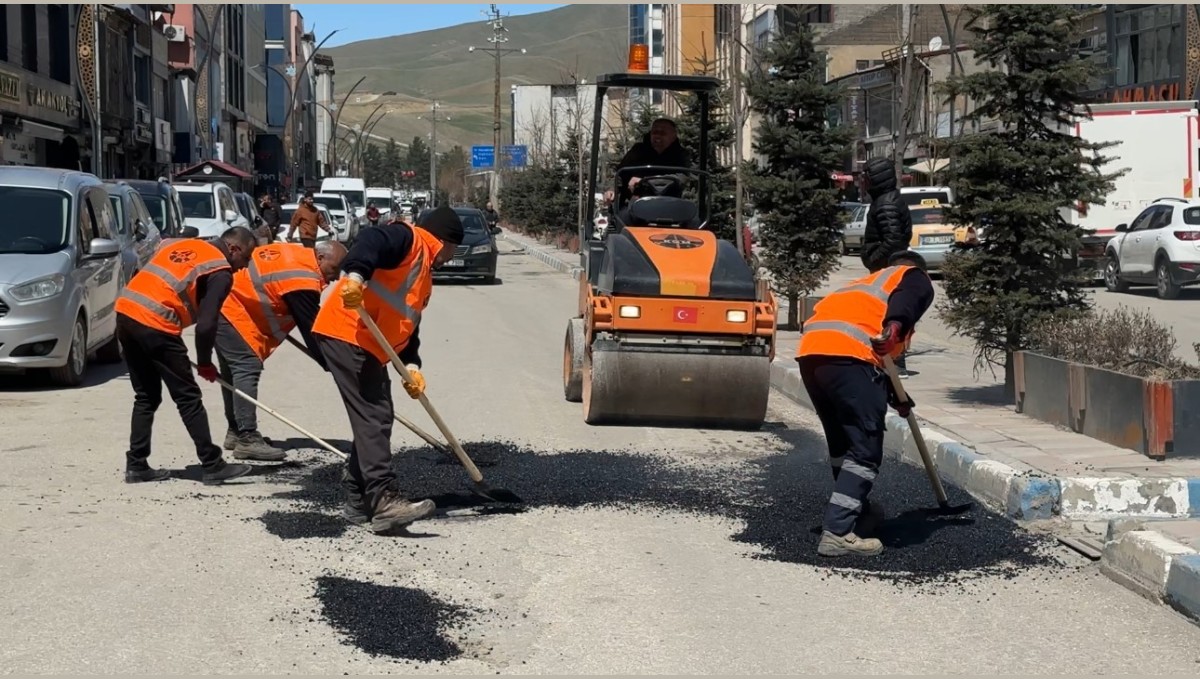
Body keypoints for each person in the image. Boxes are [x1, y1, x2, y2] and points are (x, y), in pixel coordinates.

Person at [311, 204, 465, 534]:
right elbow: (371, 239)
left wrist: (412, 366)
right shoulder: (408, 238)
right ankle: (384, 501)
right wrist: (355, 276)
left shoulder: (423, 272)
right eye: (453, 249)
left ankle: (359, 501)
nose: (451, 257)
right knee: (374, 415)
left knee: (377, 415)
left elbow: (406, 325)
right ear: (444, 241)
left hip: (367, 343)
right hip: (347, 330)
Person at [795, 250, 935, 558]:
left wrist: (897, 398)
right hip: (850, 358)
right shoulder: (912, 276)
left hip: (813, 356)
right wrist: (896, 327)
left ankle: (856, 510)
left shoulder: (863, 285)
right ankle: (839, 531)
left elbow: (870, 359)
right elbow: (909, 300)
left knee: (843, 443)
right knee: (865, 449)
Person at [114, 226, 261, 485]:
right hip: (156, 322)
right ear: (234, 249)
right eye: (247, 258)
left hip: (127, 313)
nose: (244, 267)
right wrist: (204, 362)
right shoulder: (220, 270)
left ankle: (136, 465)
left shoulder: (188, 246)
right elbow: (207, 324)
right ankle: (212, 464)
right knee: (188, 397)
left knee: (146, 396)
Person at [215, 240, 349, 460]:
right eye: (334, 270)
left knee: (233, 371)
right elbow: (312, 330)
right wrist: (332, 364)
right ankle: (247, 438)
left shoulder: (297, 254)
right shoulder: (301, 279)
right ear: (321, 258)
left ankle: (236, 432)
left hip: (224, 303)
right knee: (246, 367)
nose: (335, 278)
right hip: (232, 310)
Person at [859, 158, 915, 376]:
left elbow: (893, 240)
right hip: (890, 267)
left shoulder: (886, 204)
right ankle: (892, 359)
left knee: (889, 314)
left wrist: (874, 259)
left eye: (867, 177)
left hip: (887, 269)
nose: (863, 182)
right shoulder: (887, 200)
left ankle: (896, 361)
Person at [604, 118, 690, 205]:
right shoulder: (638, 151)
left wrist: (645, 181)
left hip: (669, 204)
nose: (658, 136)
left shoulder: (681, 155)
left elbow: (681, 177)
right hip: (636, 203)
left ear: (673, 137)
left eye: (663, 133)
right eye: (655, 132)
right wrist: (611, 189)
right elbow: (620, 173)